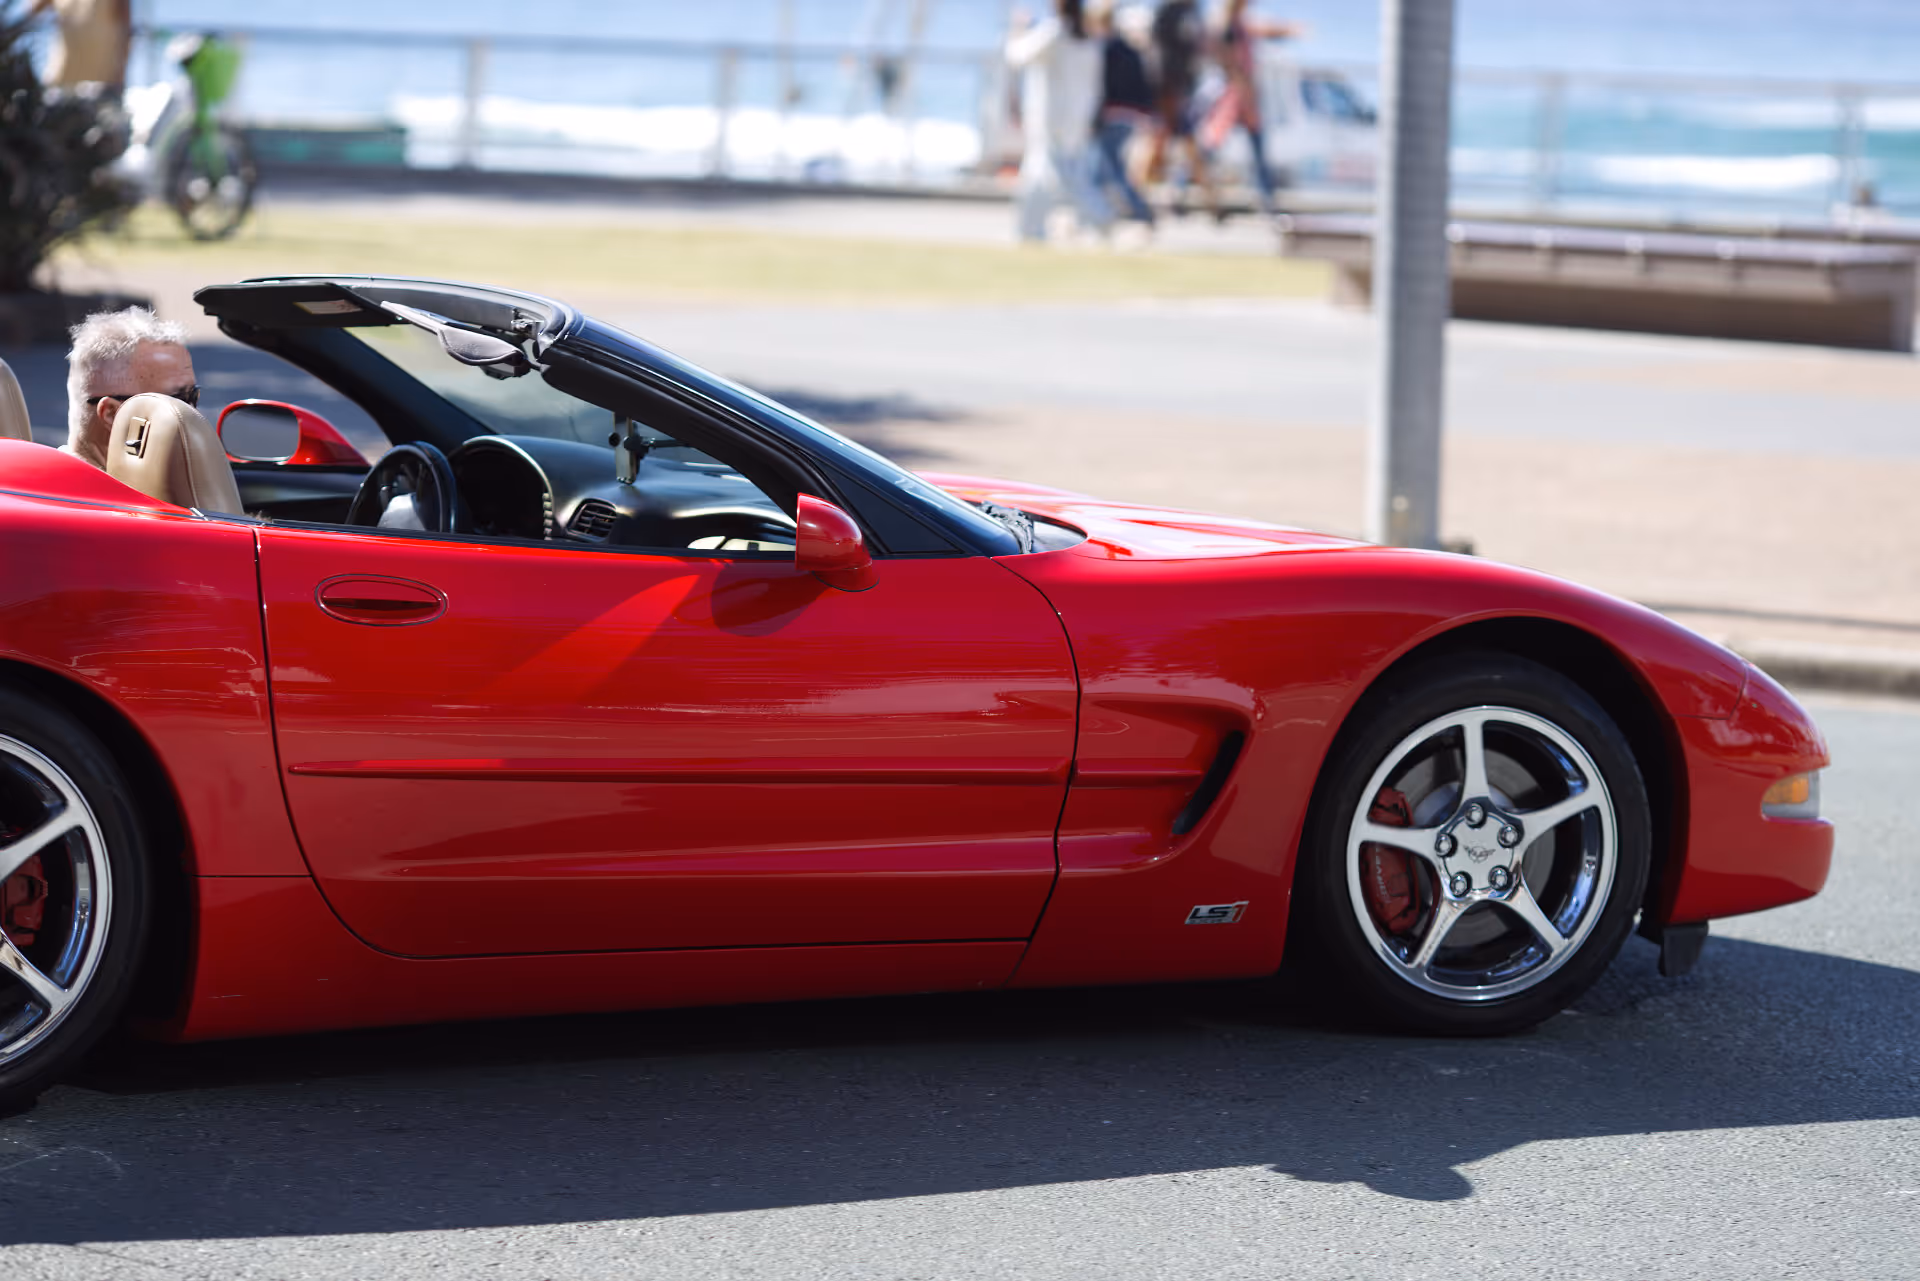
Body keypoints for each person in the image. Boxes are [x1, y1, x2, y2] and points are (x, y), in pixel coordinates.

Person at [1005, 0, 1107, 243]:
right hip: (1076, 120)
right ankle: (1032, 229)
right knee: (1059, 174)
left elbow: (1017, 55)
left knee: (1048, 174)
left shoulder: (1054, 32)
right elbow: (1095, 86)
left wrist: (1018, 28)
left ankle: (1099, 219)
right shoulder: (1088, 40)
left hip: (1050, 120)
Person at [63, 307, 198, 470]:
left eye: (194, 396)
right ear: (113, 414)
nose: (195, 414)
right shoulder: (103, 494)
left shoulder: (51, 483)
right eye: (177, 402)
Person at [1203, 0, 1301, 217]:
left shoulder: (1238, 25)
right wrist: (1242, 84)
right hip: (1234, 96)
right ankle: (1187, 186)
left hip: (1244, 95)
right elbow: (1225, 57)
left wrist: (1290, 30)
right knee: (1212, 146)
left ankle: (1267, 199)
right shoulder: (1227, 26)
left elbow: (1264, 29)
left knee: (1253, 150)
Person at [1088, 1, 1157, 234]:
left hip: (1112, 113)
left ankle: (1135, 210)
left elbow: (1098, 87)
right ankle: (1104, 213)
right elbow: (1144, 85)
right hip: (1131, 115)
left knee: (1108, 168)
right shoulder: (1130, 50)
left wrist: (1093, 116)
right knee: (1105, 167)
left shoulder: (1104, 49)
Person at [1145, 0, 1215, 218]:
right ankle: (1211, 201)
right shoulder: (1171, 12)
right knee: (1164, 143)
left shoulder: (1191, 12)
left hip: (1181, 89)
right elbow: (1159, 51)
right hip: (1170, 89)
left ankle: (1209, 200)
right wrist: (1167, 88)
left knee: (1170, 143)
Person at [26, 0, 131, 93]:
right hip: (61, 80)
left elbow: (126, 31)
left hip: (99, 85)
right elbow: (32, 10)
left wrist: (119, 76)